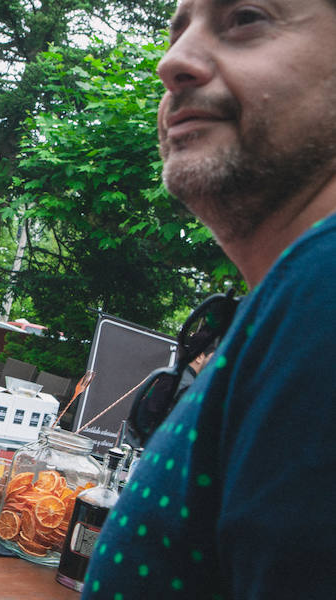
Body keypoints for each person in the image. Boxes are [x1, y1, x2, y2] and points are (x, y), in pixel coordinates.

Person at [84, 1, 336, 598]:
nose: (172, 62)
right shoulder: (293, 296)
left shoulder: (324, 286)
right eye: (177, 31)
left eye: (246, 17)